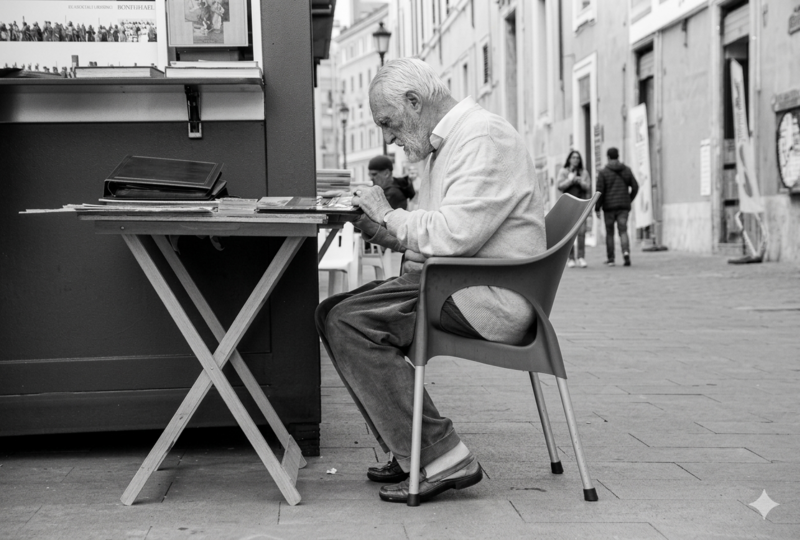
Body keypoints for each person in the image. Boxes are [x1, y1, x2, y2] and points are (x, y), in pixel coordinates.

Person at [315, 58, 547, 504]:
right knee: (331, 313)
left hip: (487, 297)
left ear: (415, 102)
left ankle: (443, 456)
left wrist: (388, 213)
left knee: (350, 322)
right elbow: (441, 236)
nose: (388, 137)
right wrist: (381, 229)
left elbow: (452, 235)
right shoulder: (452, 143)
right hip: (461, 282)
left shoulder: (484, 137)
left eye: (389, 122)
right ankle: (410, 449)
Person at [595, 147, 639, 267]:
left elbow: (600, 191)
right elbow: (635, 186)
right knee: (623, 230)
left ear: (608, 157)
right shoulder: (626, 170)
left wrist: (597, 208)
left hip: (609, 207)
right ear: (618, 156)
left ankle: (611, 259)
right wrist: (629, 199)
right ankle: (625, 253)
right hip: (623, 207)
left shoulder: (603, 172)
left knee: (610, 233)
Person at [557, 150, 591, 268]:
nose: (576, 159)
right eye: (573, 157)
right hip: (568, 206)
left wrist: (580, 181)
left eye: (578, 158)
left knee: (581, 233)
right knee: (569, 234)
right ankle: (570, 258)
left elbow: (588, 186)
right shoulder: (564, 171)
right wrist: (570, 180)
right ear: (569, 159)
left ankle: (581, 257)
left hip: (581, 205)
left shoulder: (584, 172)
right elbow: (559, 186)